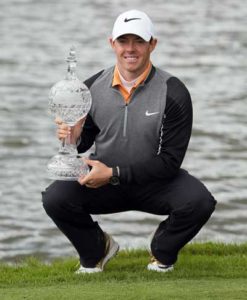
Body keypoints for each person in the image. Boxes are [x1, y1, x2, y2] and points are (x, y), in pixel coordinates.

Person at [42, 9, 216, 274]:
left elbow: (170, 162)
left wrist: (113, 174)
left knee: (199, 201)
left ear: (152, 44)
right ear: (112, 43)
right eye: (124, 41)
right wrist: (73, 136)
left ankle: (162, 251)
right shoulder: (91, 88)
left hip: (154, 182)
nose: (130, 49)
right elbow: (82, 142)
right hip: (103, 182)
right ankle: (95, 250)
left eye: (139, 41)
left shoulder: (174, 91)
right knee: (55, 197)